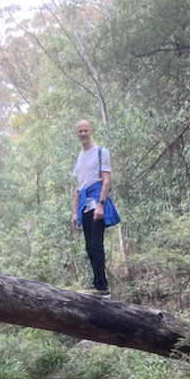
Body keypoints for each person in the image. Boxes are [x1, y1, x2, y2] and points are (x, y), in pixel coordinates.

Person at [72, 119, 115, 297]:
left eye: (85, 130)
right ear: (77, 133)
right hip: (84, 206)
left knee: (96, 245)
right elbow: (78, 186)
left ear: (91, 131)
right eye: (80, 131)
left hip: (96, 202)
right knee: (89, 246)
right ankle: (98, 285)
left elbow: (106, 180)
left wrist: (101, 205)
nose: (83, 134)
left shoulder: (101, 152)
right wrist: (75, 212)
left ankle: (101, 287)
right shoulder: (79, 158)